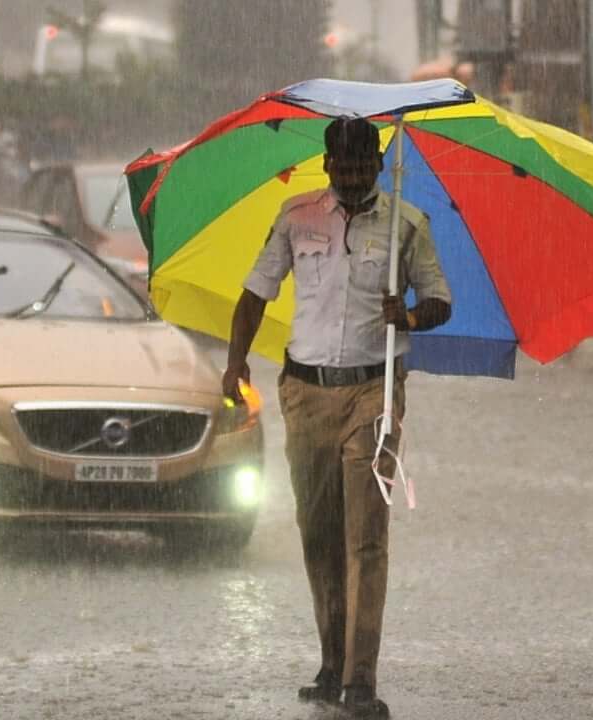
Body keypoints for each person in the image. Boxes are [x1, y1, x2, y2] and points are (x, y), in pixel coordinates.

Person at [222, 117, 452, 719]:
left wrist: (408, 316)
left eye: (361, 166)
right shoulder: (296, 216)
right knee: (318, 534)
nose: (351, 178)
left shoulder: (408, 225)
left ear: (378, 164)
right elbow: (255, 294)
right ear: (326, 165)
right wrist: (233, 364)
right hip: (304, 391)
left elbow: (440, 301)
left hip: (372, 394)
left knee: (366, 538)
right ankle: (330, 664)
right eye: (341, 167)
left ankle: (360, 680)